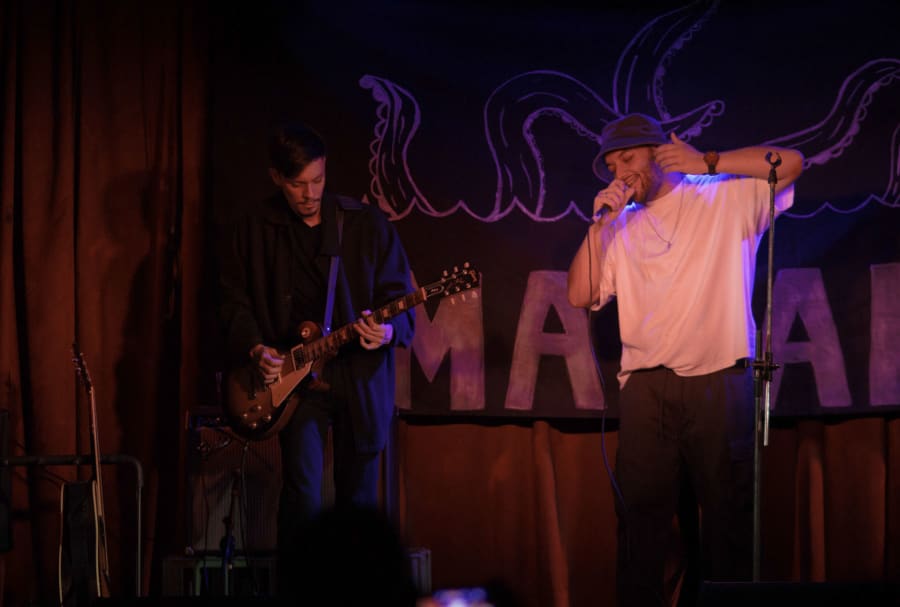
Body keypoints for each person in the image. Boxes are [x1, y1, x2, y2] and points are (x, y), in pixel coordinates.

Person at [567, 113, 803, 606]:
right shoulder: (621, 225)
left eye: (627, 159)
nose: (620, 172)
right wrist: (600, 224)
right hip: (646, 390)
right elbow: (579, 294)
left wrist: (707, 162)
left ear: (659, 152)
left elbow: (792, 163)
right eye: (612, 166)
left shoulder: (722, 194)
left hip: (719, 381)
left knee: (727, 522)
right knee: (640, 525)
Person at [218, 122, 415, 599]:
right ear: (276, 177)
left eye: (318, 181)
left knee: (358, 502)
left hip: (359, 379)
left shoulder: (366, 224)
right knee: (303, 495)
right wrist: (255, 348)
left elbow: (401, 299)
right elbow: (232, 300)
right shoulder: (254, 228)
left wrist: (387, 332)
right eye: (297, 184)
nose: (310, 194)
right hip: (296, 383)